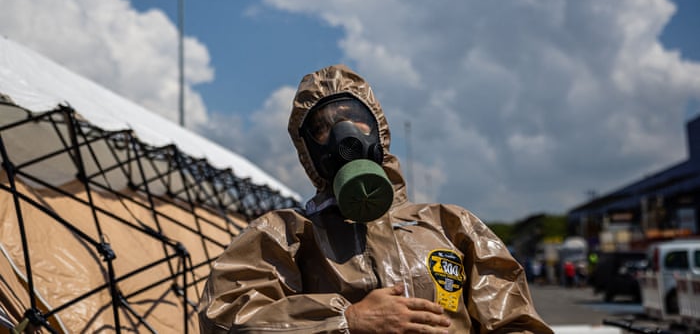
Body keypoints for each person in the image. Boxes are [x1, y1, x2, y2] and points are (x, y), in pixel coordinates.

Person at [198, 64, 553, 333]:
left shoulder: (451, 225)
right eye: (322, 129)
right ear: (307, 150)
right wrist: (347, 319)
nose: (343, 136)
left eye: (355, 120)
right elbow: (226, 320)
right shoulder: (283, 235)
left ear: (379, 130)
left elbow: (515, 322)